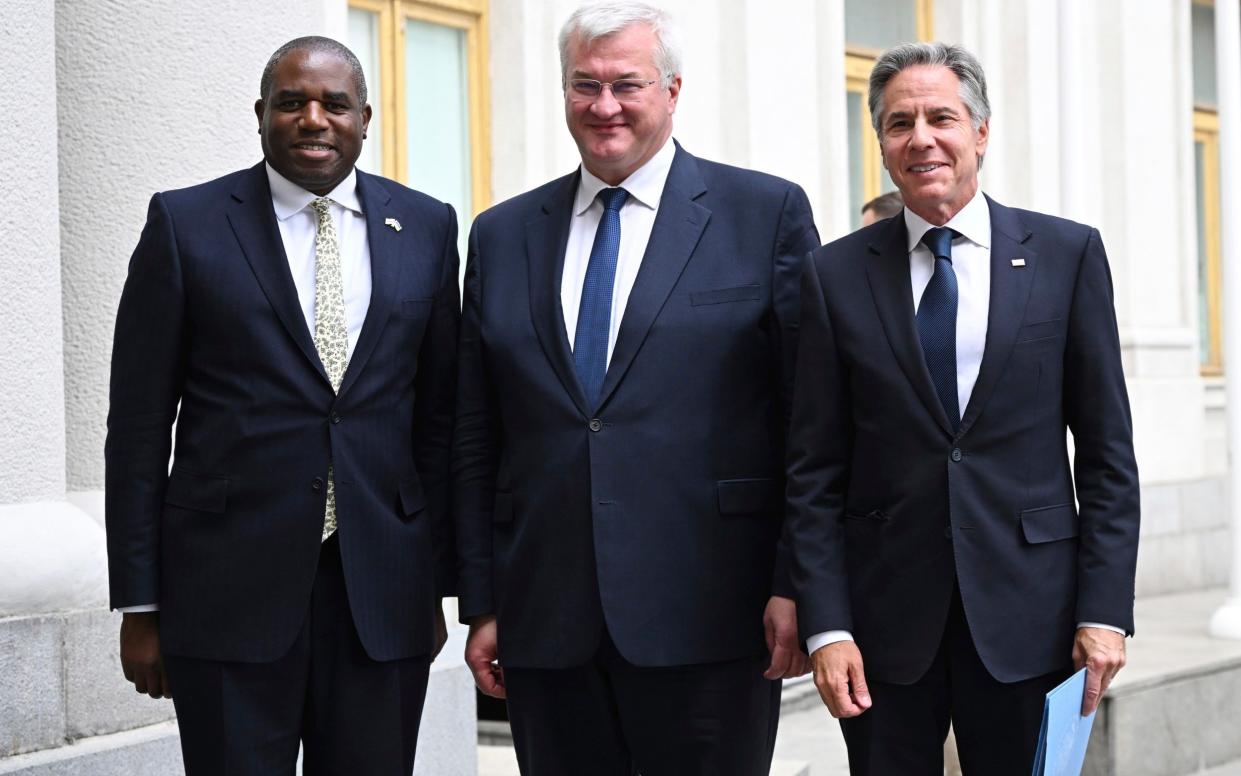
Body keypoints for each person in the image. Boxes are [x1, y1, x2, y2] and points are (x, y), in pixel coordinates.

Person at [453, 3, 819, 774]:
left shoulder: (763, 214)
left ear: (673, 90)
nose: (605, 106)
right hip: (547, 620)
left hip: (714, 615)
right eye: (584, 85)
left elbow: (807, 421)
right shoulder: (502, 234)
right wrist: (482, 602)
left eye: (627, 84)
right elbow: (477, 432)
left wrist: (797, 585)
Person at [105, 36, 458, 775]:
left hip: (381, 597)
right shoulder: (186, 224)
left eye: (334, 104)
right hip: (224, 593)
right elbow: (138, 429)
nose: (313, 119)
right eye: (292, 102)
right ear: (261, 114)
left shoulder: (427, 228)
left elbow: (439, 421)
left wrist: (437, 583)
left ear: (366, 118)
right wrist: (140, 605)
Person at [786, 42, 1139, 774]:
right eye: (897, 122)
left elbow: (1106, 455)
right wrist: (827, 629)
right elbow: (813, 470)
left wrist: (1102, 612)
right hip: (881, 631)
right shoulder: (834, 275)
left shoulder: (1064, 256)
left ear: (979, 131)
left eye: (940, 117)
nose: (920, 138)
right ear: (880, 143)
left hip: (1031, 619)